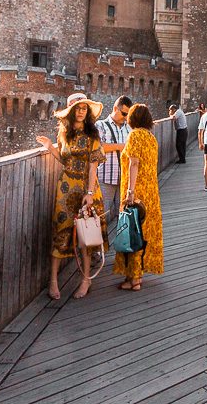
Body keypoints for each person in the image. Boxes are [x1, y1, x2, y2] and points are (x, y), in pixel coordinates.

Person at [35, 92, 106, 299]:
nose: (82, 111)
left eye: (85, 108)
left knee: (86, 237)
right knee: (60, 231)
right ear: (71, 111)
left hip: (86, 188)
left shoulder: (92, 135)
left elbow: (93, 167)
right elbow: (64, 160)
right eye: (78, 108)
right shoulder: (63, 134)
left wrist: (90, 193)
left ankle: (86, 280)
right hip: (65, 187)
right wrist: (50, 147)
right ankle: (54, 281)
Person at [114, 104, 164, 291]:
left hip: (137, 191)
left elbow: (134, 163)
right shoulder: (151, 138)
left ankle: (133, 279)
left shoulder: (134, 135)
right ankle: (138, 275)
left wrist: (130, 192)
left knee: (132, 230)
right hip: (151, 191)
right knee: (143, 232)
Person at [97, 95, 132, 225]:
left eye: (127, 115)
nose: (125, 117)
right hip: (105, 178)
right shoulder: (100, 125)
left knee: (123, 218)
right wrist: (120, 146)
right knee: (101, 216)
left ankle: (121, 244)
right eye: (123, 113)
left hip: (124, 180)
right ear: (115, 108)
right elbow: (99, 148)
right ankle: (100, 245)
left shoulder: (129, 128)